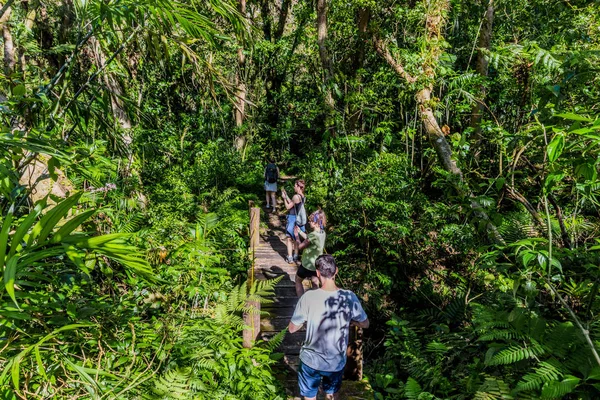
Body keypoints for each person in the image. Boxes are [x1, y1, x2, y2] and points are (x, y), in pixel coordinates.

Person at [288, 255, 369, 400]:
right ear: (336, 271)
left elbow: (292, 328)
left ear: (318, 273)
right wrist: (351, 321)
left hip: (310, 361)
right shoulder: (349, 297)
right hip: (336, 362)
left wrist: (306, 320)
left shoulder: (308, 297)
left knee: (308, 397)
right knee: (332, 395)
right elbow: (365, 323)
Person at [294, 209, 327, 297]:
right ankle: (315, 304)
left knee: (298, 280)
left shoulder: (313, 235)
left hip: (307, 264)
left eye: (311, 220)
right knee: (315, 283)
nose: (309, 222)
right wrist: (300, 232)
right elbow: (309, 239)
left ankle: (301, 302)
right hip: (316, 265)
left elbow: (300, 246)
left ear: (317, 222)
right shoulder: (322, 233)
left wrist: (296, 236)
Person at [281, 179, 306, 264]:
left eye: (295, 186)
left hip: (292, 219)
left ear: (298, 187)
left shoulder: (296, 196)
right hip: (299, 219)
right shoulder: (302, 196)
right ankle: (295, 255)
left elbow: (288, 207)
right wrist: (287, 196)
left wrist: (284, 198)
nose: (294, 187)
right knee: (296, 238)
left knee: (289, 238)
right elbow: (293, 205)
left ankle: (290, 257)